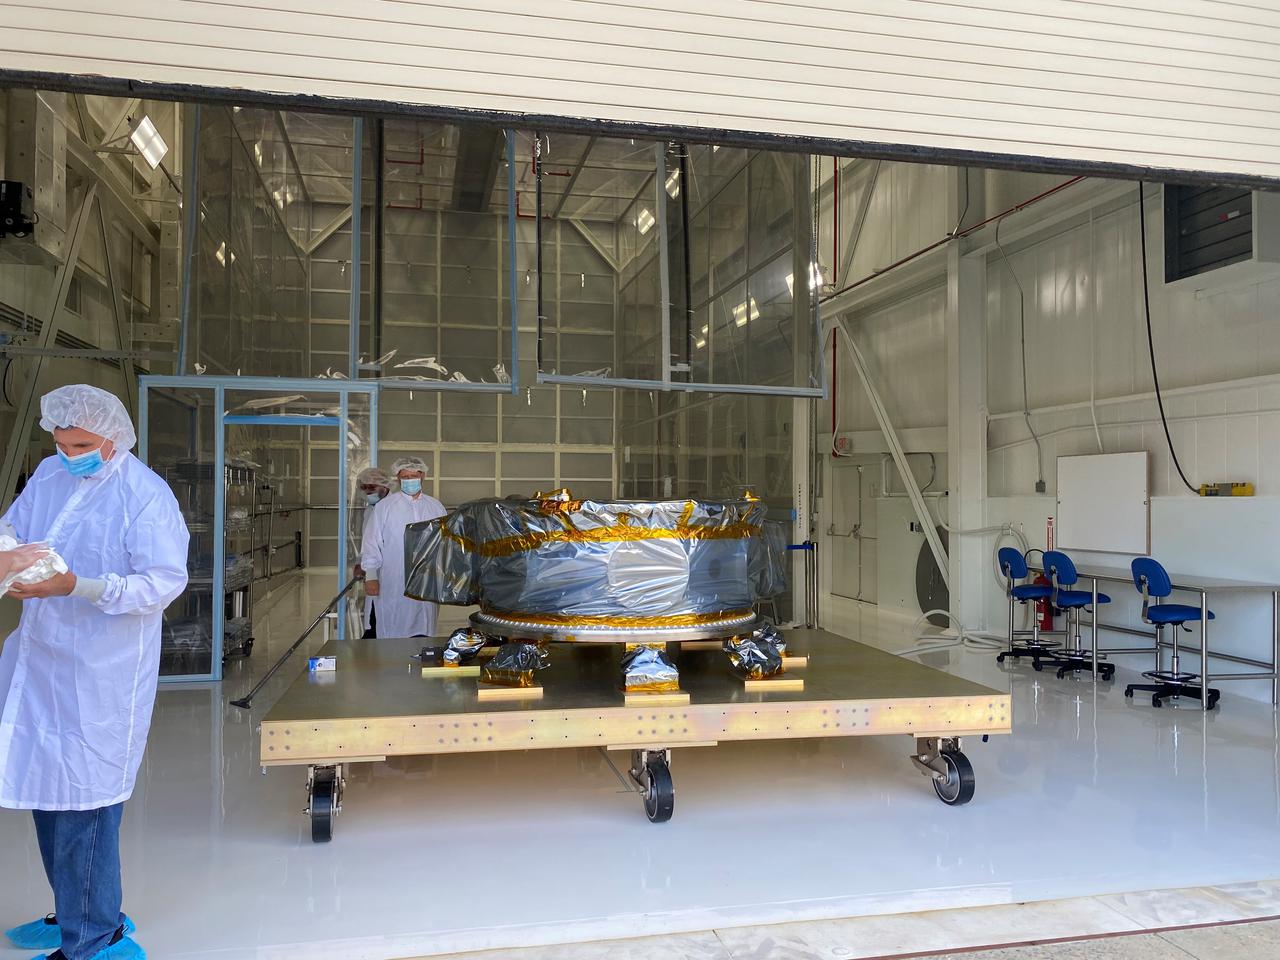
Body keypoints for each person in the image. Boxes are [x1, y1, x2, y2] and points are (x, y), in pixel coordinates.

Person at [1, 384, 190, 960]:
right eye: (61, 444)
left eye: (81, 445)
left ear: (114, 439)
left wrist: (75, 586)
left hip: (102, 673)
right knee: (47, 792)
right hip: (42, 661)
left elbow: (162, 583)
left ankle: (97, 937)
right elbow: (14, 527)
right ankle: (73, 914)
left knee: (87, 802)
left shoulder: (144, 495)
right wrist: (8, 555)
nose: (69, 454)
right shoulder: (50, 475)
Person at [360, 456, 446, 638]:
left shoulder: (435, 506)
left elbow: (445, 543)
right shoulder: (385, 507)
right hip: (393, 580)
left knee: (424, 626)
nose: (409, 480)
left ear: (423, 476)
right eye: (405, 477)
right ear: (398, 478)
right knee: (393, 627)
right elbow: (371, 542)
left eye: (413, 476)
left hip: (427, 580)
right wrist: (371, 576)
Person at [352, 466, 390, 638]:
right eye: (364, 487)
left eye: (372, 487)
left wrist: (371, 572)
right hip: (374, 573)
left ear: (385, 486)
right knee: (374, 620)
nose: (367, 491)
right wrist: (362, 562)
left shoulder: (391, 508)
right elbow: (368, 542)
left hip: (389, 573)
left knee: (382, 621)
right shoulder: (370, 509)